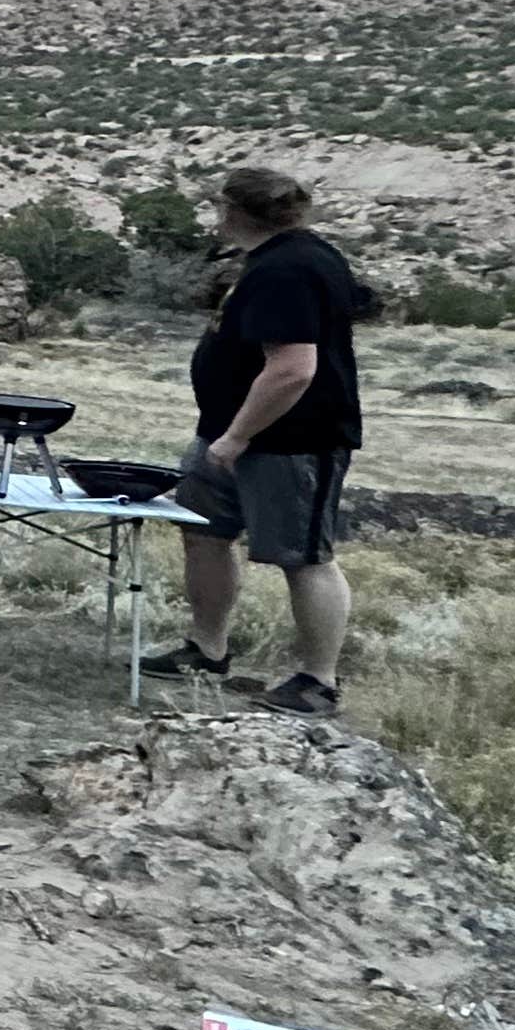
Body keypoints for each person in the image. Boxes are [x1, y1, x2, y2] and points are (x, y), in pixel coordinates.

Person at [162, 165, 364, 716]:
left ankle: (318, 681)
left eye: (218, 207)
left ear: (233, 211)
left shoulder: (290, 268)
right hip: (226, 433)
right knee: (203, 533)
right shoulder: (274, 260)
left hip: (289, 442)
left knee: (304, 557)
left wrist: (234, 438)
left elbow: (293, 369)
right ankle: (207, 648)